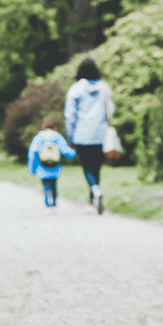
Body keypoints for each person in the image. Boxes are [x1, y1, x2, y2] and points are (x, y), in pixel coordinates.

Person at [64, 57, 114, 215]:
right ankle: (93, 199)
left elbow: (70, 115)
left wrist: (69, 137)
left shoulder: (76, 89)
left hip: (82, 135)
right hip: (100, 134)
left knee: (87, 167)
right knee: (97, 167)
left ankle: (95, 191)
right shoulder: (104, 87)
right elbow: (110, 111)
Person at [27, 115, 77, 214]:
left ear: (43, 126)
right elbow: (66, 151)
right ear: (55, 126)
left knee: (46, 186)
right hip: (55, 168)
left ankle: (47, 205)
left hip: (42, 168)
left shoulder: (38, 138)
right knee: (54, 186)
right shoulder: (57, 137)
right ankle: (54, 204)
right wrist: (74, 151)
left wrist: (32, 170)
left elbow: (33, 154)